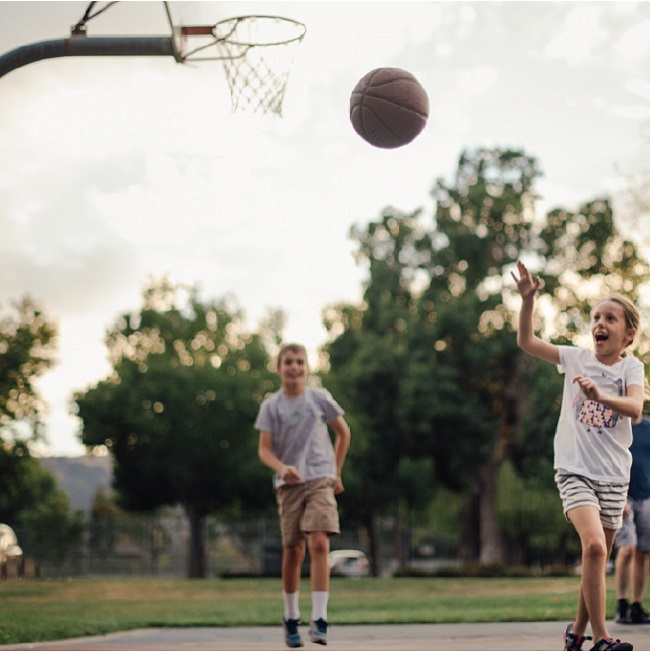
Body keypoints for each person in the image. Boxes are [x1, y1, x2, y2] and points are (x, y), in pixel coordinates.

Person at [512, 260, 644, 652]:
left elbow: (636, 408)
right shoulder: (575, 359)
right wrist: (527, 302)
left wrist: (601, 396)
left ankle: (576, 633)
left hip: (614, 476)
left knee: (595, 559)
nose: (599, 323)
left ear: (628, 333)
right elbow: (527, 342)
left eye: (610, 318)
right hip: (575, 470)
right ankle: (602, 639)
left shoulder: (632, 367)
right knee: (596, 548)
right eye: (596, 317)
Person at [256, 343, 351, 648]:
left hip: (320, 478)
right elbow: (264, 450)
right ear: (279, 368)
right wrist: (282, 468)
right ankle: (291, 617)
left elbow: (343, 433)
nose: (294, 367)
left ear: (307, 367)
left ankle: (320, 619)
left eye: (299, 361)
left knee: (320, 541)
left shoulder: (319, 399)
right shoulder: (271, 406)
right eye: (288, 362)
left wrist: (336, 472)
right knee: (293, 550)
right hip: (289, 485)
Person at [614, 414, 650, 625]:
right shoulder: (617, 427)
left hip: (647, 495)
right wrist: (619, 497)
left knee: (643, 552)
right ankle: (621, 604)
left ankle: (637, 605)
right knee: (627, 547)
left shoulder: (648, 427)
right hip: (623, 495)